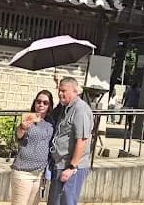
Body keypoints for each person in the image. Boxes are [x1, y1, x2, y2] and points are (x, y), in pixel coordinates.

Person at [49, 77, 93, 205]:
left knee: (66, 202)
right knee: (55, 202)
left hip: (71, 166)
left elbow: (82, 141)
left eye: (64, 91)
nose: (60, 94)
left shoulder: (80, 110)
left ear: (75, 91)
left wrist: (71, 167)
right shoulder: (65, 108)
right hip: (59, 164)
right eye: (59, 90)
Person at [10, 90, 54, 205]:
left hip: (39, 173)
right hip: (23, 172)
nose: (41, 105)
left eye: (45, 103)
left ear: (49, 106)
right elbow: (18, 136)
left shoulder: (50, 121)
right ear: (34, 103)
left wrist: (58, 82)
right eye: (38, 101)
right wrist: (23, 127)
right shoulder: (28, 118)